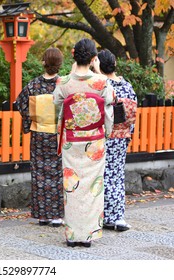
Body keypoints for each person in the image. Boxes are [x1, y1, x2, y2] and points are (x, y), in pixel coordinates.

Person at [53, 38, 115, 247]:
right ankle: (87, 235)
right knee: (91, 188)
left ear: (74, 55)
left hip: (72, 140)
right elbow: (109, 105)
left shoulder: (63, 82)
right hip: (95, 141)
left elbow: (56, 104)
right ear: (93, 58)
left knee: (72, 187)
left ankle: (72, 235)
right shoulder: (101, 82)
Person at [15, 47, 64, 227]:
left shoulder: (34, 85)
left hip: (39, 134)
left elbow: (20, 104)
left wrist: (30, 121)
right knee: (57, 173)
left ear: (44, 62)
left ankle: (43, 214)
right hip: (58, 135)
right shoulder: (63, 84)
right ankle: (57, 215)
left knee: (40, 173)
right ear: (59, 64)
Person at [97, 49, 137, 231]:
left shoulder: (103, 86)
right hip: (122, 135)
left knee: (104, 174)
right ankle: (118, 215)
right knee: (117, 175)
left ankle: (106, 216)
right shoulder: (127, 86)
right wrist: (129, 132)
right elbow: (132, 114)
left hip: (106, 134)